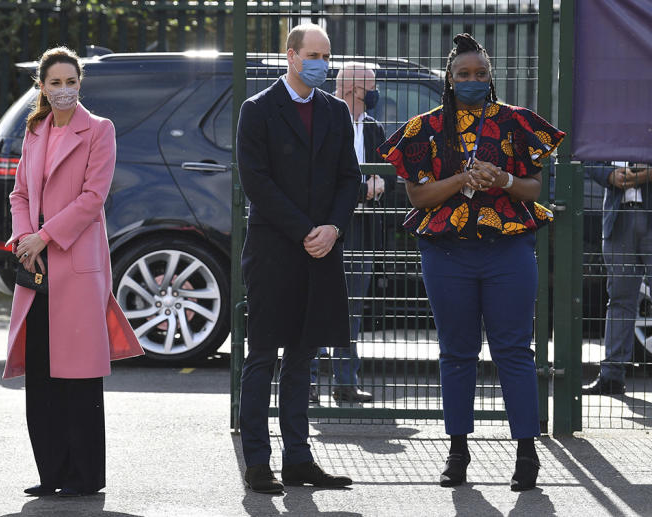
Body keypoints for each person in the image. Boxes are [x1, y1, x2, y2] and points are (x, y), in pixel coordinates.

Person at [379, 33, 564, 491]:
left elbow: (534, 190)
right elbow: (418, 195)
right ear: (450, 77)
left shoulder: (517, 123)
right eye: (464, 74)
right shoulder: (425, 128)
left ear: (491, 77)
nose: (473, 81)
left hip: (509, 251)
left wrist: (501, 177)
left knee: (514, 352)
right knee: (457, 353)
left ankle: (526, 452)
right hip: (447, 253)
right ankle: (457, 452)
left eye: (481, 74)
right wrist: (462, 177)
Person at [2, 47, 144, 498]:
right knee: (41, 374)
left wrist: (43, 237)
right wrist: (26, 240)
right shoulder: (35, 130)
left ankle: (84, 477)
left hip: (75, 265)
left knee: (78, 376)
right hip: (37, 265)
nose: (64, 90)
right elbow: (20, 194)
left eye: (70, 81)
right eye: (55, 83)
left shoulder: (99, 130)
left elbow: (92, 197)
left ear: (81, 83)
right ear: (41, 87)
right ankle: (51, 474)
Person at [236, 24, 360, 494]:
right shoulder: (259, 109)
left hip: (321, 251)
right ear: (289, 56)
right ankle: (257, 463)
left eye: (327, 55)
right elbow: (257, 182)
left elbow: (348, 178)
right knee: (263, 355)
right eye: (313, 54)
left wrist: (332, 227)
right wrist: (305, 229)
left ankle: (299, 460)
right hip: (274, 251)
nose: (322, 63)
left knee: (304, 358)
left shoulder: (333, 110)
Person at [309, 63, 390, 404]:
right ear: (354, 89)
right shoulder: (323, 119)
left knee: (352, 308)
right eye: (370, 87)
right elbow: (322, 176)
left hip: (361, 230)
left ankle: (346, 381)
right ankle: (307, 380)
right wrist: (363, 188)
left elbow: (388, 176)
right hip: (324, 226)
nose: (375, 94)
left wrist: (379, 185)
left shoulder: (373, 128)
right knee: (314, 305)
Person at [582, 162, 652, 395]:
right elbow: (589, 155)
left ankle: (612, 375)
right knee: (620, 299)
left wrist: (646, 175)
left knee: (621, 301)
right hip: (618, 218)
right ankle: (612, 378)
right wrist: (610, 175)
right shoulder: (609, 125)